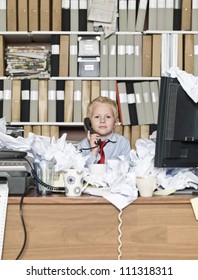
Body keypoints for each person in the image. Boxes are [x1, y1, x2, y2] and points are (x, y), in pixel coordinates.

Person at [77, 96, 131, 166]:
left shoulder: (123, 143)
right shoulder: (82, 146)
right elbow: (80, 170)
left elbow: (126, 169)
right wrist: (94, 151)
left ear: (115, 122)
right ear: (89, 122)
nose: (102, 120)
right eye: (97, 117)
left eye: (108, 117)